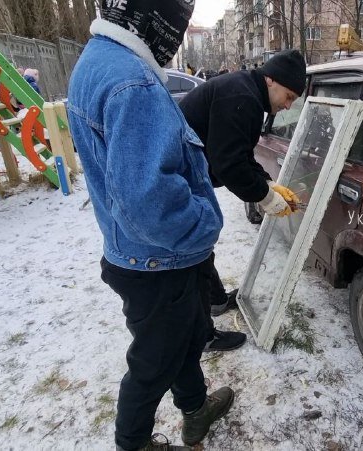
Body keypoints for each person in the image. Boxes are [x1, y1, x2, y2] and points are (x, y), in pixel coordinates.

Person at [66, 1, 234, 449]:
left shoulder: (100, 60)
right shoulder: (133, 83)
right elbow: (149, 200)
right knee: (154, 363)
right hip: (158, 262)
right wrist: (206, 223)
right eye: (176, 21)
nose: (176, 36)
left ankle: (196, 411)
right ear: (149, 16)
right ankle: (134, 443)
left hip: (141, 254)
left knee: (186, 340)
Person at [178, 49, 307, 346]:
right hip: (180, 180)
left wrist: (266, 183)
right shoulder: (242, 97)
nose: (287, 106)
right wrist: (264, 197)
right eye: (288, 96)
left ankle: (215, 301)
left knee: (199, 247)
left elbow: (240, 155)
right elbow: (229, 165)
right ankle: (203, 335)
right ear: (271, 80)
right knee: (191, 255)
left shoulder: (245, 91)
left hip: (189, 176)